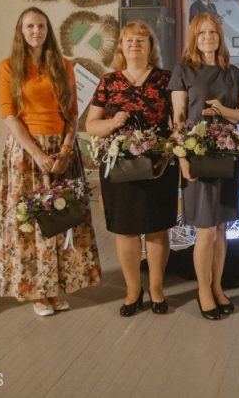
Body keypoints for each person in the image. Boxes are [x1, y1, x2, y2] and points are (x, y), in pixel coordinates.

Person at [0, 7, 102, 316]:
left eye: (41, 25)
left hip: (61, 149)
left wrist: (66, 151)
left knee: (63, 217)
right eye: (30, 26)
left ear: (48, 30)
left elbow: (72, 114)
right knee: (32, 221)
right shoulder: (8, 67)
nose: (36, 31)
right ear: (21, 30)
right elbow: (9, 115)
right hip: (27, 152)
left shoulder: (63, 65)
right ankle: (38, 292)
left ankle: (56, 288)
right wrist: (38, 153)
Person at [85, 22, 178, 316]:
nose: (135, 44)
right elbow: (91, 125)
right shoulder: (109, 81)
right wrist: (113, 122)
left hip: (158, 166)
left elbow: (179, 122)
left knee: (156, 229)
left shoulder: (166, 79)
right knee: (125, 231)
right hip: (119, 169)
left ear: (151, 47)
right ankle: (132, 291)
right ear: (121, 47)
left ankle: (157, 290)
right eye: (129, 40)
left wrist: (167, 152)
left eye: (141, 40)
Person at [168, 13, 239, 320]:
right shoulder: (183, 71)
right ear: (194, 37)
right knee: (205, 230)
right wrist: (182, 158)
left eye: (212, 32)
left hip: (226, 158)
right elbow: (178, 119)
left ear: (220, 36)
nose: (208, 37)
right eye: (202, 33)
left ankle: (217, 286)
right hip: (197, 158)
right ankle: (203, 291)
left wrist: (222, 109)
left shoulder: (233, 72)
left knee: (221, 227)